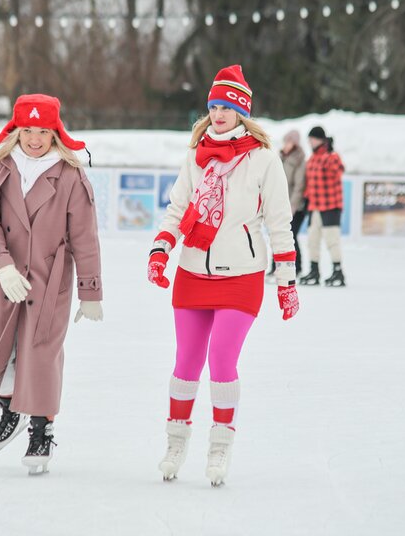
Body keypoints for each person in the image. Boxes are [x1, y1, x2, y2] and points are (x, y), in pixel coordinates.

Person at [147, 65, 299, 486]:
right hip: (193, 271)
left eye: (226, 107)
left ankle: (219, 446)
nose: (218, 114)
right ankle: (176, 442)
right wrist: (161, 250)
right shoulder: (195, 157)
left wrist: (286, 281)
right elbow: (177, 210)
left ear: (241, 112)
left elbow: (279, 222)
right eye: (213, 106)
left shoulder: (264, 160)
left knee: (222, 360)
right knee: (185, 364)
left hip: (242, 275)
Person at [0, 94, 103, 475]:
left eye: (42, 131)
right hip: (5, 279)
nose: (33, 139)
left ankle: (41, 429)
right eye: (27, 130)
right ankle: (9, 408)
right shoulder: (0, 168)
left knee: (42, 353)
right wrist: (2, 265)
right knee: (2, 345)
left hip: (48, 282)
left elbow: (85, 238)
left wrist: (90, 291)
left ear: (54, 133)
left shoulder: (70, 176)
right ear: (16, 131)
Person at [299, 127, 346, 286]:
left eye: (312, 139)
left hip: (331, 205)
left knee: (332, 239)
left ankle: (338, 271)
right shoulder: (312, 159)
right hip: (315, 206)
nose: (310, 143)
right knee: (312, 240)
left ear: (320, 140)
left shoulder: (331, 156)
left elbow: (339, 170)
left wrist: (331, 153)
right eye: (309, 140)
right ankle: (314, 270)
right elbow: (309, 183)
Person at [266, 129, 306, 278]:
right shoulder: (280, 157)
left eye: (289, 142)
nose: (286, 145)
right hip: (279, 204)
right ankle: (274, 266)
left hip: (295, 207)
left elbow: (299, 186)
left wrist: (292, 207)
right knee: (275, 235)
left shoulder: (300, 159)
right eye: (285, 141)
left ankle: (297, 267)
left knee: (291, 236)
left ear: (294, 143)